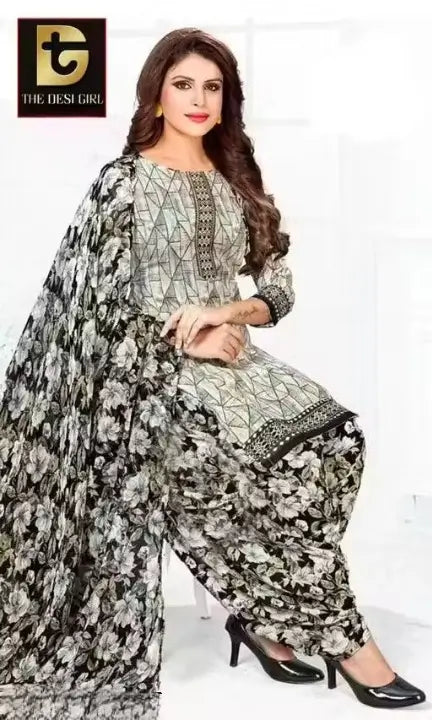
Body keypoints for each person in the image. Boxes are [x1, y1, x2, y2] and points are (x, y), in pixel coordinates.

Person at [0, 27, 426, 720]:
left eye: (213, 87)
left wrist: (231, 311)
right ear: (156, 96)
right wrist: (184, 341)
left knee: (336, 442)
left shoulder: (236, 178)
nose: (199, 99)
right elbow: (88, 308)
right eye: (183, 85)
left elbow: (279, 284)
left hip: (236, 360)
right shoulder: (122, 183)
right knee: (269, 472)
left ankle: (263, 613)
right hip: (144, 378)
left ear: (227, 101)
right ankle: (351, 646)